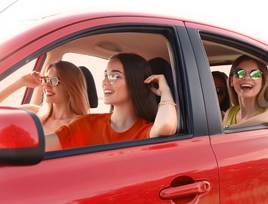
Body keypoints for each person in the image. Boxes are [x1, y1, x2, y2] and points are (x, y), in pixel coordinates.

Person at [45, 53, 177, 151]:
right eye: (105, 75)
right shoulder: (84, 124)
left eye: (114, 76)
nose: (105, 83)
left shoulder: (144, 131)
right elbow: (40, 146)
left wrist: (165, 91)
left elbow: (166, 126)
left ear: (135, 82)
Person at [0, 60, 90, 134]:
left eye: (53, 81)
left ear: (71, 86)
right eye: (45, 80)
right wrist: (20, 82)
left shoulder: (80, 125)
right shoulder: (34, 113)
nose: (46, 85)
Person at [223, 55, 268, 128]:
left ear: (263, 82)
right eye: (240, 73)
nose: (247, 78)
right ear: (231, 81)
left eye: (255, 74)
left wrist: (232, 128)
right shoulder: (230, 112)